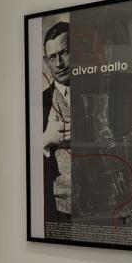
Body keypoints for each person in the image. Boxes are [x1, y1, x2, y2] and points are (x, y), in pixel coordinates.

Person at [41, 20, 72, 223]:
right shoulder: (39, 104)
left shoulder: (101, 92)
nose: (59, 63)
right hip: (61, 211)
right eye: (52, 57)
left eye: (65, 52)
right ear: (46, 61)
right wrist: (44, 140)